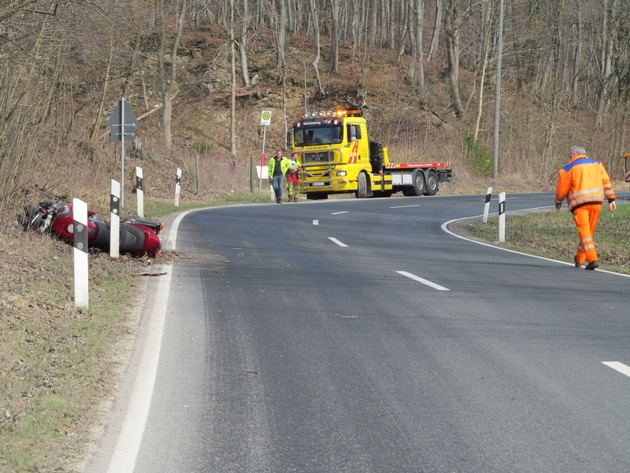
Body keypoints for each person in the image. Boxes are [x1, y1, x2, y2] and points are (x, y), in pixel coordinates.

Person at [554, 145, 616, 270]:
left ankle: (592, 259)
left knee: (585, 232)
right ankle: (579, 258)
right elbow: (606, 182)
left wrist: (558, 201)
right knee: (588, 233)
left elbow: (562, 190)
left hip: (580, 205)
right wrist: (611, 199)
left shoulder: (568, 169)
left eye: (570, 154)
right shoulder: (597, 164)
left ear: (576, 153)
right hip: (597, 202)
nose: (569, 156)